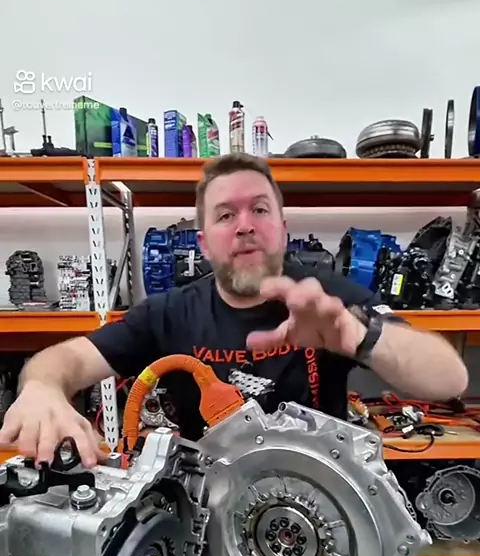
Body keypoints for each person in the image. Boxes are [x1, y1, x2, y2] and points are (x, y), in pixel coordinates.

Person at [0, 153, 468, 468]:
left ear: (282, 228)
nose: (245, 226)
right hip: (211, 515)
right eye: (226, 215)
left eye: (260, 210)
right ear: (204, 243)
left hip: (321, 507)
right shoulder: (168, 313)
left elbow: (449, 380)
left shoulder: (327, 299)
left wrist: (361, 337)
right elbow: (66, 359)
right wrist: (42, 388)